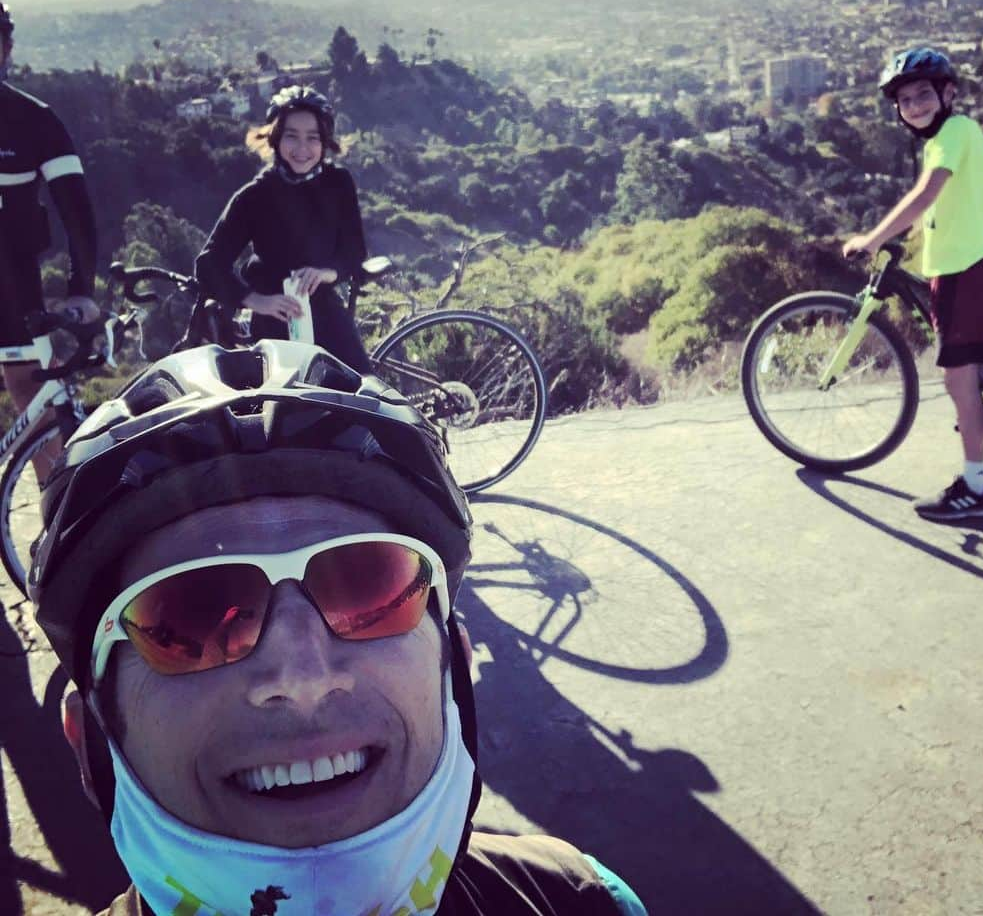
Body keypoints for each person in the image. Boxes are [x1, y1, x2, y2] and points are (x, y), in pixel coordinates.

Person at [30, 339, 646, 916]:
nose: (303, 676)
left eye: (370, 586)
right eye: (190, 615)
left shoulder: (583, 900)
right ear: (92, 741)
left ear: (452, 671)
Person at [843, 46, 983, 522]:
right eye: (905, 100)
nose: (915, 105)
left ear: (948, 93)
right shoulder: (955, 135)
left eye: (923, 94)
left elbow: (927, 194)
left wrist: (875, 237)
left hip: (962, 273)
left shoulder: (952, 134)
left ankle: (975, 486)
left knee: (957, 376)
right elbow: (945, 206)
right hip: (970, 266)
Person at [195, 85, 371, 372]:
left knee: (364, 395)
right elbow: (209, 263)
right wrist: (255, 301)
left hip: (325, 310)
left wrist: (326, 273)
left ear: (325, 142)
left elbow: (354, 250)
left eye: (313, 138)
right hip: (276, 321)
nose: (302, 149)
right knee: (290, 411)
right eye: (292, 136)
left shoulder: (338, 182)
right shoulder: (255, 195)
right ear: (275, 138)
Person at [0, 0, 98, 465]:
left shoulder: (35, 121)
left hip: (12, 286)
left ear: (7, 46)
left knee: (33, 396)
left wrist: (81, 290)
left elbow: (76, 213)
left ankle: (51, 518)